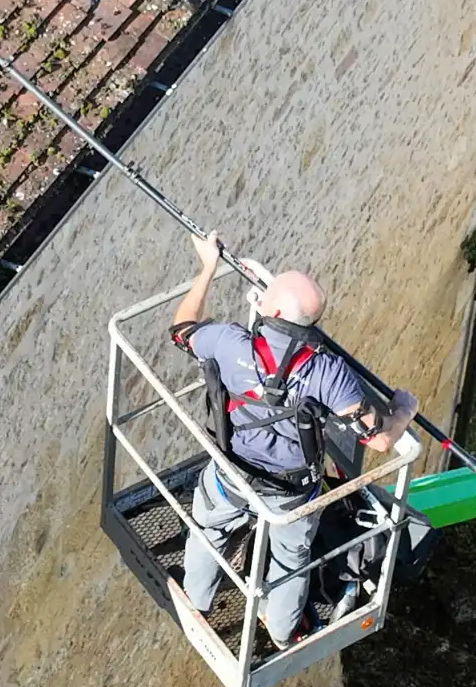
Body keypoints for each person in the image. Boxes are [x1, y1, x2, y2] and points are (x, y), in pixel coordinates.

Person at [170, 231, 419, 649]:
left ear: (273, 311)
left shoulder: (229, 342)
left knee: (209, 530)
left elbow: (182, 329)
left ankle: (197, 603)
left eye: (266, 296)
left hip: (233, 473)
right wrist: (402, 412)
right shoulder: (329, 373)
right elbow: (378, 440)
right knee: (290, 561)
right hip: (291, 493)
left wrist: (208, 268)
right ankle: (283, 632)